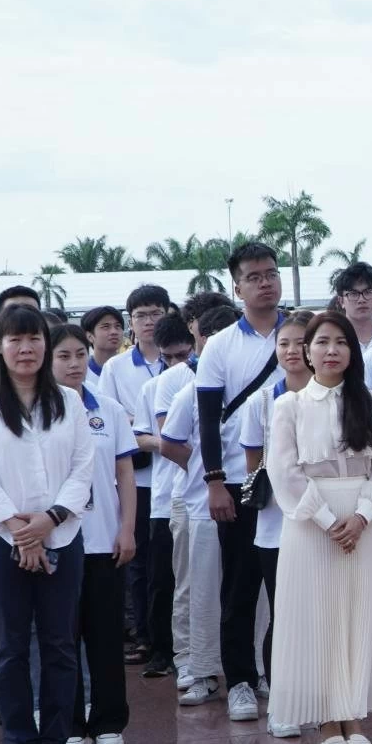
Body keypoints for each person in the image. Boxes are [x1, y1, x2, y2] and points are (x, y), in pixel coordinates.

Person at [0, 304, 96, 744]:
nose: (26, 348)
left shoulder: (70, 402)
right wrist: (20, 530)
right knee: (10, 647)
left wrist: (49, 522)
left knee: (60, 644)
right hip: (3, 541)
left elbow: (83, 468)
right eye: (14, 339)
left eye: (34, 338)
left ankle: (56, 743)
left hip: (64, 534)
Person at [266, 310, 372, 744]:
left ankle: (354, 712)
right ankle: (326, 717)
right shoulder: (289, 405)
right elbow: (283, 473)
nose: (331, 350)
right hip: (312, 524)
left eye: (340, 342)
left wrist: (361, 516)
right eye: (322, 342)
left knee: (359, 612)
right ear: (306, 350)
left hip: (364, 520)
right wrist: (327, 521)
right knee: (318, 614)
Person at [191, 242, 285, 726]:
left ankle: (280, 673)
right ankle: (241, 681)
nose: (266, 282)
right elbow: (208, 421)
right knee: (241, 586)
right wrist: (215, 483)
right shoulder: (222, 345)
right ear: (237, 286)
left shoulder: (300, 334)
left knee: (288, 587)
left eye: (271, 273)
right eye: (254, 276)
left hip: (295, 482)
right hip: (243, 481)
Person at [48, 324, 135, 744]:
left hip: (103, 541)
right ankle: (67, 722)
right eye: (63, 356)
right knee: (61, 637)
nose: (74, 364)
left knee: (104, 636)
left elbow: (124, 475)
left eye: (80, 355)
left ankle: (108, 721)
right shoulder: (39, 412)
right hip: (59, 541)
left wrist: (127, 529)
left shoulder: (111, 411)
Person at [156, 304, 242, 705]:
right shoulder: (188, 389)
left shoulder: (256, 386)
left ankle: (247, 665)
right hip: (197, 501)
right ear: (201, 341)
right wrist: (204, 468)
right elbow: (169, 442)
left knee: (243, 588)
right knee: (196, 587)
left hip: (247, 498)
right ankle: (195, 665)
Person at [242, 311, 314, 738]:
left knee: (322, 614)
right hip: (277, 527)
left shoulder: (340, 397)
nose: (291, 351)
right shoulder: (262, 403)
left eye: (300, 342)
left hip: (328, 524)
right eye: (284, 343)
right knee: (283, 614)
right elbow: (256, 465)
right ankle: (283, 703)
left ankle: (324, 699)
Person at [100, 283, 172, 657]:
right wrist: (139, 424)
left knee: (170, 561)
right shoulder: (115, 367)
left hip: (176, 475)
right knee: (139, 559)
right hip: (136, 475)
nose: (148, 322)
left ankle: (171, 636)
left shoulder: (179, 361)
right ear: (132, 322)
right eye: (141, 315)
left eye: (155, 313)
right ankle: (143, 633)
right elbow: (109, 416)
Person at [139, 313, 195, 680]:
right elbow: (140, 437)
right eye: (168, 358)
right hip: (165, 494)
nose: (175, 364)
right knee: (163, 578)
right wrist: (175, 443)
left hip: (198, 493)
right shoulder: (154, 387)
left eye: (182, 355)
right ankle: (161, 650)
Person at [79, 306, 126, 380]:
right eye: (106, 327)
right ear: (89, 336)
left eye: (118, 326)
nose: (114, 332)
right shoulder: (80, 374)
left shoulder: (131, 369)